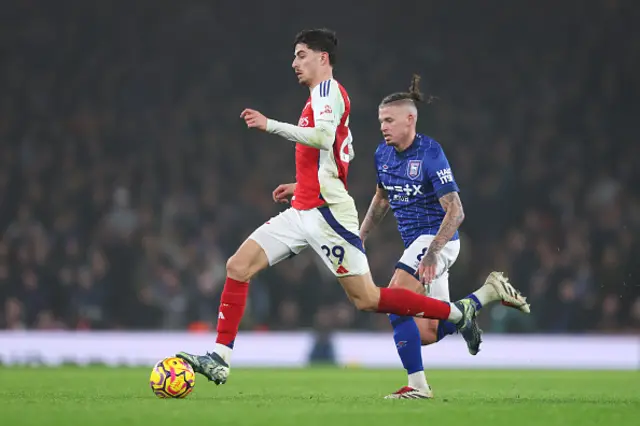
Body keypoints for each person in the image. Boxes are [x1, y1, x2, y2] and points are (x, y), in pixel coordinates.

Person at [176, 29, 496, 386]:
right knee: (238, 266)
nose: (294, 62)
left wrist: (270, 126)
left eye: (300, 55)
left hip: (328, 213)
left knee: (368, 299)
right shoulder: (319, 97)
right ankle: (220, 358)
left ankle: (457, 312)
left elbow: (325, 138)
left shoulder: (328, 92)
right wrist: (304, 184)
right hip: (304, 207)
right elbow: (343, 151)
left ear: (322, 58)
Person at [358, 74, 530, 399]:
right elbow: (382, 197)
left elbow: (456, 210)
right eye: (381, 120)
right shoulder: (382, 154)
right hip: (417, 246)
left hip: (438, 240)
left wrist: (434, 251)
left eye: (390, 120)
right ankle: (486, 295)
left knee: (395, 299)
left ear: (410, 119)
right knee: (426, 332)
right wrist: (361, 235)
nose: (383, 126)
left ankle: (418, 386)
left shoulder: (430, 152)